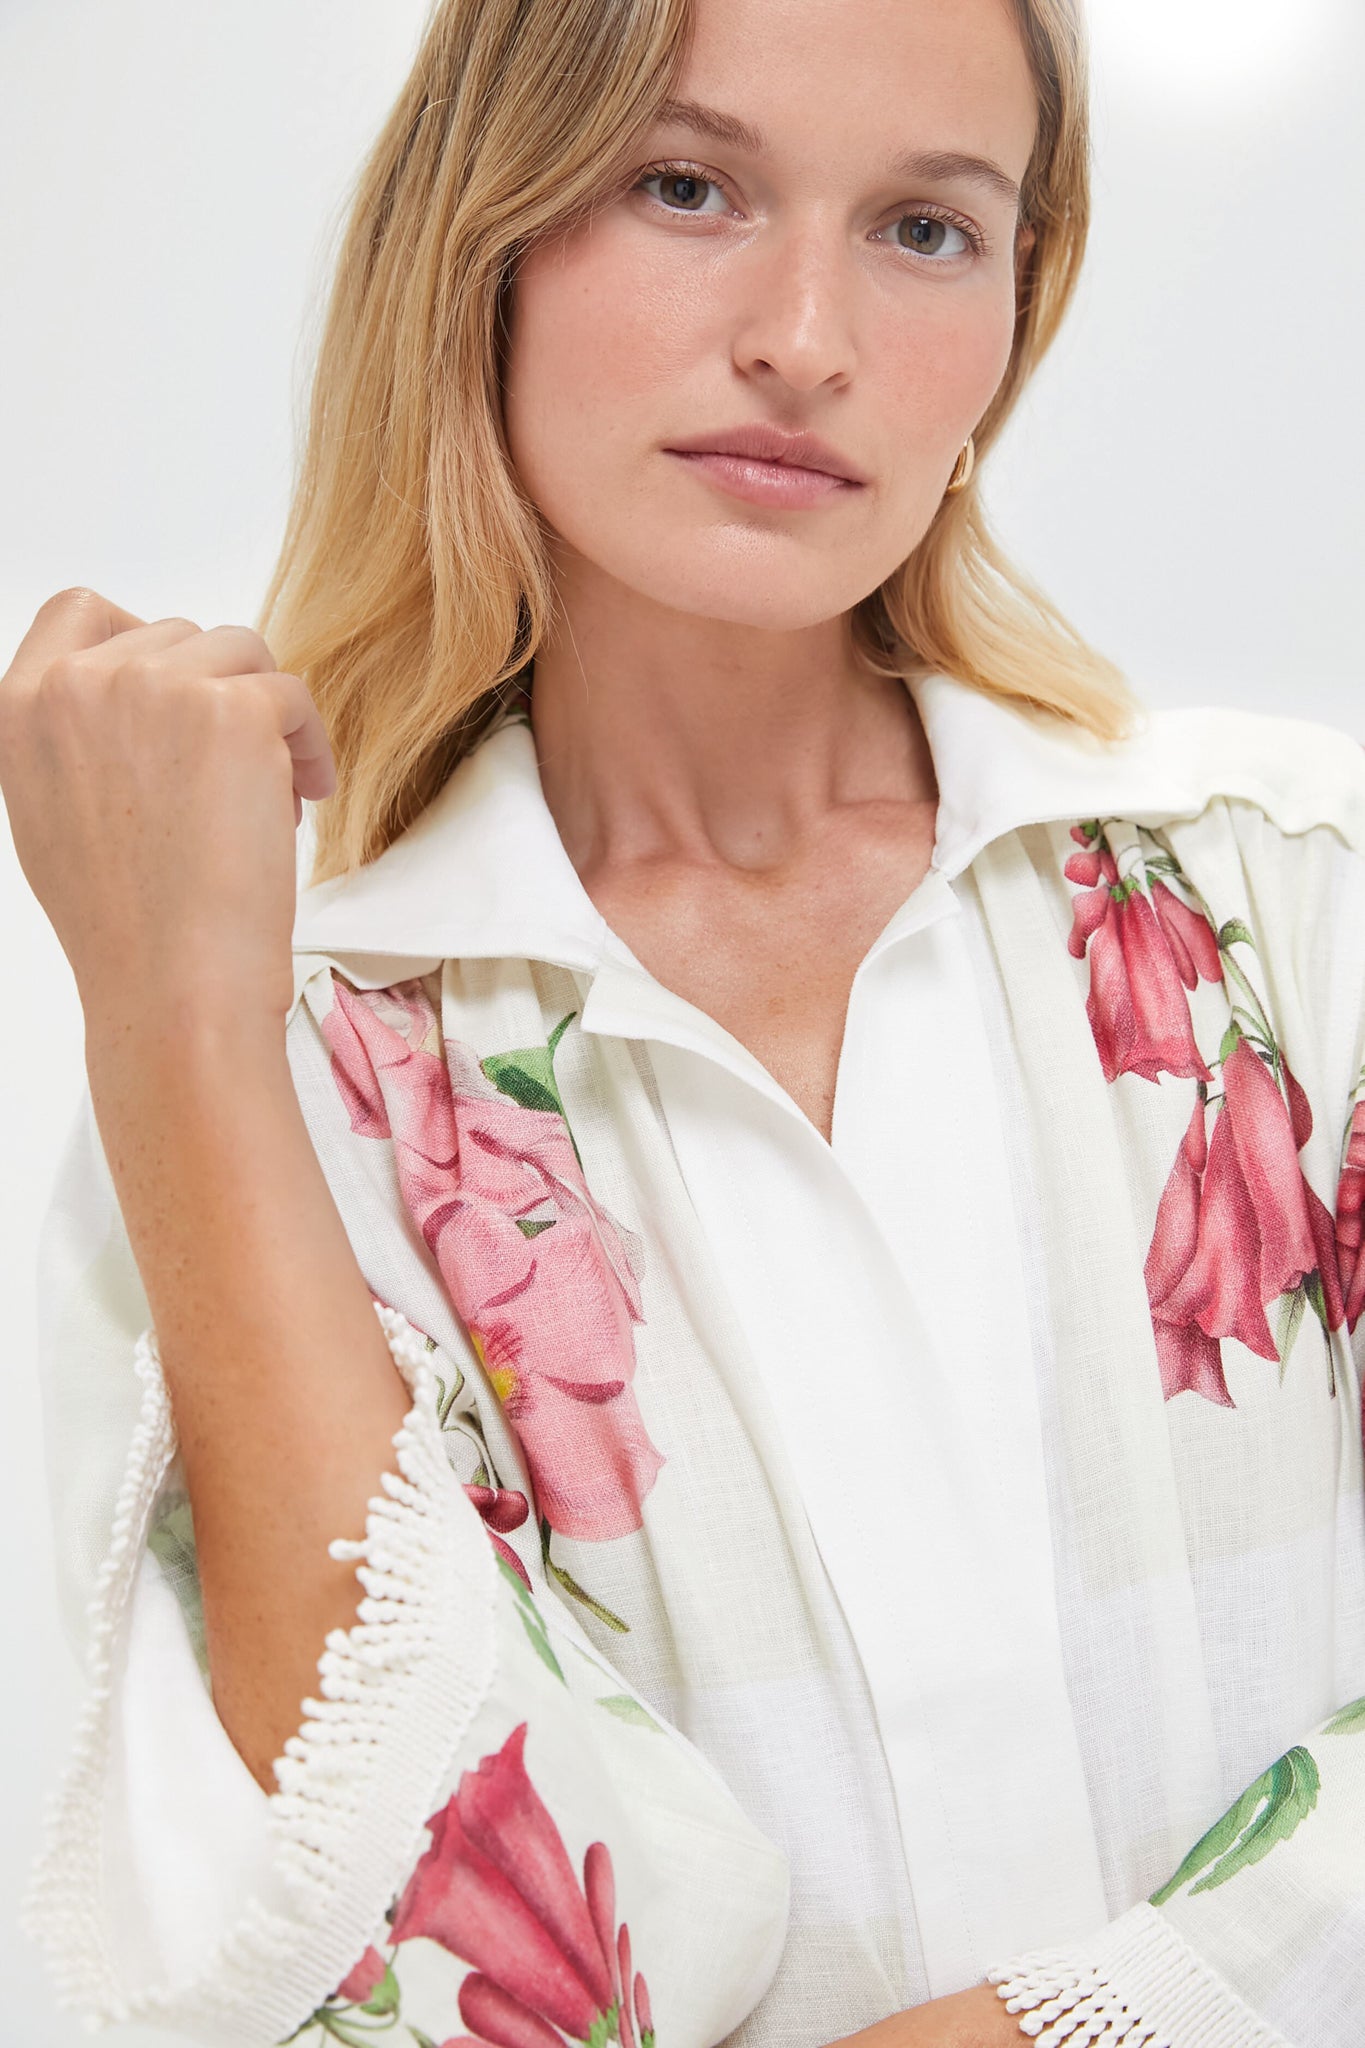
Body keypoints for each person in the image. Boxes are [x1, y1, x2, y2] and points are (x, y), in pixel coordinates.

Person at [6, 0, 1365, 2042]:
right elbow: (423, 1970)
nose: (804, 339)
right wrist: (180, 1030)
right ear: (478, 236)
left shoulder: (1294, 898)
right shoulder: (281, 1094)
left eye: (924, 228)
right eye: (683, 186)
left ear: (1019, 302)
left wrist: (1091, 2017)